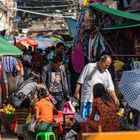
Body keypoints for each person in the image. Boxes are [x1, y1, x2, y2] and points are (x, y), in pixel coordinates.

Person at [74, 55, 119, 120]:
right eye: (106, 65)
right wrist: (76, 92)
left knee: (96, 121)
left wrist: (115, 98)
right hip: (87, 100)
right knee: (84, 120)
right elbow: (80, 81)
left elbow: (110, 88)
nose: (107, 67)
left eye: (108, 66)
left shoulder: (107, 73)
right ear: (101, 61)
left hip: (99, 102)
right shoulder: (89, 66)